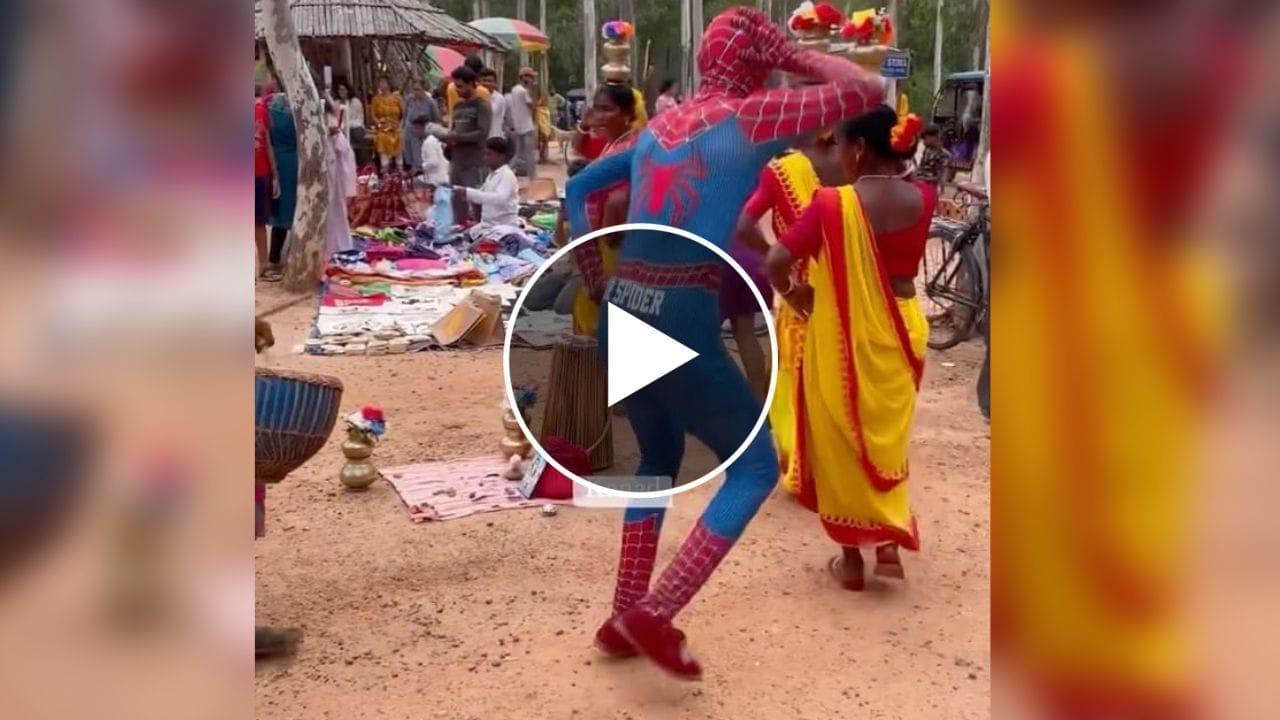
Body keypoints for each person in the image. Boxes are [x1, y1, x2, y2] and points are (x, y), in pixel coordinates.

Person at [564, 7, 882, 680]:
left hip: (624, 305)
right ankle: (655, 611)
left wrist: (594, 275)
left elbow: (578, 188)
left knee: (657, 456)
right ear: (756, 61)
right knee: (755, 467)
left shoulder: (658, 126)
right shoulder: (753, 115)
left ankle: (622, 614)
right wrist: (792, 53)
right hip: (682, 309)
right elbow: (866, 89)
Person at [764, 105, 934, 591]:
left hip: (841, 332)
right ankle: (887, 541)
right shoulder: (925, 196)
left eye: (839, 144)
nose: (836, 154)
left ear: (858, 148)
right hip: (902, 327)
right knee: (886, 437)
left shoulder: (831, 205)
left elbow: (777, 258)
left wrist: (796, 295)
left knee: (838, 437)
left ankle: (852, 560)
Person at [733, 128, 843, 494]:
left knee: (796, 377)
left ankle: (800, 465)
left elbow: (744, 225)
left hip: (799, 294)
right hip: (844, 293)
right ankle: (838, 465)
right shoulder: (852, 164)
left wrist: (777, 258)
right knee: (838, 377)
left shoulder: (780, 171)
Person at [569, 84, 639, 337]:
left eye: (607, 109)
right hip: (600, 237)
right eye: (597, 109)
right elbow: (578, 146)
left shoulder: (633, 145)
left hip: (618, 239)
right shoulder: (610, 144)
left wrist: (612, 224)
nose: (599, 115)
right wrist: (584, 124)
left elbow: (629, 193)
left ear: (627, 114)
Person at [444, 66, 492, 223]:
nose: (457, 90)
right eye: (455, 86)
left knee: (476, 198)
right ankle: (460, 228)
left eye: (460, 86)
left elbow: (482, 133)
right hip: (457, 160)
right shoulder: (458, 106)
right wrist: (448, 140)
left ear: (471, 84)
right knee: (457, 198)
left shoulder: (482, 106)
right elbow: (454, 129)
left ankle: (481, 228)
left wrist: (458, 138)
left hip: (474, 161)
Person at [263, 88, 297, 281]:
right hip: (295, 161)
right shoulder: (298, 111)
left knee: (280, 208)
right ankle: (292, 256)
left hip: (276, 160)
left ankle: (274, 257)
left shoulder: (270, 110)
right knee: (295, 208)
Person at [321, 98, 357, 263]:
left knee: (335, 206)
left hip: (333, 164)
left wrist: (332, 133)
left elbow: (340, 144)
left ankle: (338, 243)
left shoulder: (330, 115)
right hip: (325, 162)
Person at [461, 137, 519, 234]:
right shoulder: (491, 175)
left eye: (489, 154)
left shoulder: (507, 175)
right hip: (488, 226)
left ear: (501, 156)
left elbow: (499, 198)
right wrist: (461, 192)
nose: (485, 158)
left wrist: (468, 192)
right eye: (484, 155)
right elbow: (481, 194)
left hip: (502, 227)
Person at [254, 88, 276, 278]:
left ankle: (263, 263)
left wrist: (275, 174)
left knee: (259, 221)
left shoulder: (261, 111)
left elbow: (268, 144)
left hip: (260, 172)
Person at [402, 78, 440, 172]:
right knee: (411, 160)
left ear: (423, 89)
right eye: (414, 89)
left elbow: (436, 119)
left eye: (418, 89)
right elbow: (405, 114)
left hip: (423, 133)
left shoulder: (430, 102)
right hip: (410, 131)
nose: (416, 92)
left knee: (422, 161)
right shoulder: (409, 99)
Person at [507, 67, 537, 179]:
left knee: (518, 154)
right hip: (527, 126)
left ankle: (504, 171)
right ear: (524, 77)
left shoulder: (514, 90)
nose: (532, 79)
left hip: (518, 125)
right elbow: (532, 106)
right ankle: (533, 178)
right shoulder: (524, 91)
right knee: (529, 155)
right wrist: (532, 90)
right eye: (530, 77)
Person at [370, 75, 405, 171]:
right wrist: (379, 125)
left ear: (389, 84)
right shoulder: (376, 99)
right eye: (380, 83)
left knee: (400, 136)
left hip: (396, 126)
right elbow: (373, 116)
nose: (381, 85)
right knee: (382, 137)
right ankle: (385, 167)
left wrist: (400, 126)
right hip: (383, 127)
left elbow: (404, 115)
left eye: (383, 82)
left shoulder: (397, 98)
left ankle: (399, 168)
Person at [445, 55, 491, 126]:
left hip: (455, 127)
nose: (458, 90)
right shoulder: (484, 92)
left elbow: (451, 111)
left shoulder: (451, 87)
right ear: (479, 73)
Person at [334, 80, 368, 168]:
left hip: (355, 126)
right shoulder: (336, 103)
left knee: (357, 134)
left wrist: (346, 125)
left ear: (348, 90)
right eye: (339, 90)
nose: (341, 92)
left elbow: (357, 119)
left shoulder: (355, 102)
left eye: (343, 89)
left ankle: (362, 165)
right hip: (341, 128)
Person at [916, 124, 951, 193]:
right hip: (920, 186)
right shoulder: (927, 150)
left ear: (934, 137)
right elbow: (921, 168)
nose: (924, 142)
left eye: (926, 138)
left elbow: (940, 176)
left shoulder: (944, 155)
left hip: (930, 188)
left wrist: (919, 178)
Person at [478, 68, 508, 141]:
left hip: (494, 137)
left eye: (489, 81)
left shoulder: (499, 99)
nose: (486, 83)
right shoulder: (474, 97)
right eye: (484, 80)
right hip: (478, 139)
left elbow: (502, 118)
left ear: (495, 83)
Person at [419, 120, 449, 187]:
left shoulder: (429, 142)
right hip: (443, 176)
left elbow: (433, 162)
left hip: (435, 179)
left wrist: (422, 166)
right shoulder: (435, 141)